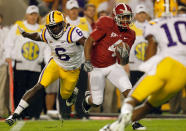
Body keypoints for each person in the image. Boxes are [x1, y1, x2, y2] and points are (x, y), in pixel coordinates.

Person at [99, 3, 186, 131]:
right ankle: (114, 127)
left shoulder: (153, 24)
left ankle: (123, 118)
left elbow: (151, 46)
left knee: (132, 99)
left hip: (166, 64)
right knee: (147, 106)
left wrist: (148, 67)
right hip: (182, 73)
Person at [5, 10, 86, 126]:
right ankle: (15, 114)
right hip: (56, 64)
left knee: (65, 95)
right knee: (39, 86)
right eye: (52, 27)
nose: (55, 29)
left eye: (57, 26)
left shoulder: (73, 32)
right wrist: (26, 34)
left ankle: (72, 92)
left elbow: (86, 42)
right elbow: (37, 36)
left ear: (63, 24)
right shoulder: (47, 33)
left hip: (71, 69)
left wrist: (88, 58)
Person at [83, 3, 145, 130]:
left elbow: (123, 62)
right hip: (97, 67)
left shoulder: (131, 34)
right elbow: (89, 40)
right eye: (123, 17)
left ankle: (135, 122)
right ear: (116, 17)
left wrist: (124, 55)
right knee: (97, 102)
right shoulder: (106, 24)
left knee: (130, 92)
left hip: (113, 66)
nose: (126, 20)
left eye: (128, 17)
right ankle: (87, 99)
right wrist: (88, 61)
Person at [4, 5, 47, 119]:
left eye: (35, 14)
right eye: (31, 14)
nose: (33, 17)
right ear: (26, 15)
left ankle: (34, 114)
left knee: (34, 91)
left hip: (36, 66)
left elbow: (47, 47)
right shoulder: (18, 26)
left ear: (38, 16)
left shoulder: (42, 29)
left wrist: (47, 61)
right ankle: (19, 114)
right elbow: (9, 42)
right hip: (20, 65)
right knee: (19, 90)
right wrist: (8, 55)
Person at [0, 14, 10, 118]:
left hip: (2, 64)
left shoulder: (6, 31)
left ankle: (2, 112)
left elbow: (7, 46)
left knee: (3, 89)